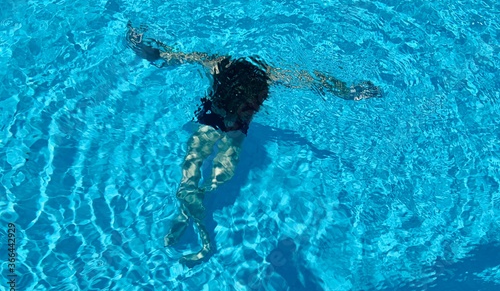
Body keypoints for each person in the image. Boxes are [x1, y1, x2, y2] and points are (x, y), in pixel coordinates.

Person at [126, 22, 382, 267]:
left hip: (235, 124)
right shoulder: (217, 65)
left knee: (221, 176)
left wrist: (348, 91)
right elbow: (172, 56)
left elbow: (316, 79)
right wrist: (143, 48)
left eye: (246, 110)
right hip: (211, 117)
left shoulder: (268, 77)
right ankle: (186, 213)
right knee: (190, 171)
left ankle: (195, 205)